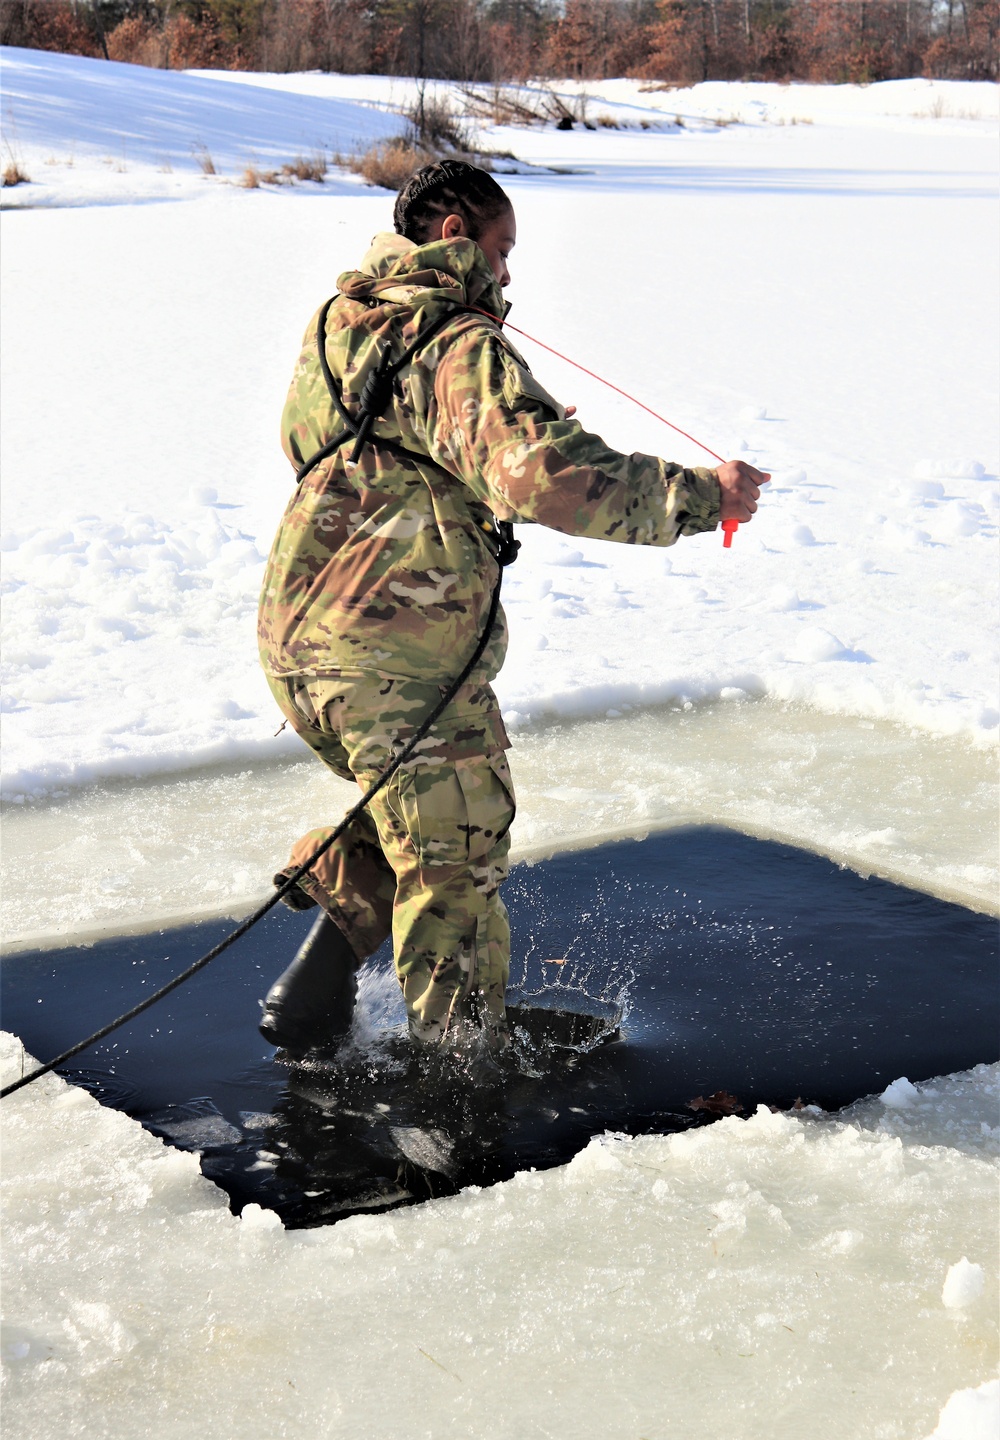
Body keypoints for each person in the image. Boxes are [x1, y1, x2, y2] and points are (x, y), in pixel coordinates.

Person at [257, 158, 767, 1058]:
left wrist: (490, 436)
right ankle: (457, 1078)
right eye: (500, 250)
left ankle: (312, 997)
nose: (506, 275)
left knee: (420, 812)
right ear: (454, 236)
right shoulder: (456, 342)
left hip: (304, 636)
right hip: (394, 648)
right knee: (454, 852)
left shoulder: (338, 324)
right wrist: (703, 496)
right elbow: (546, 477)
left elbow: (364, 451)